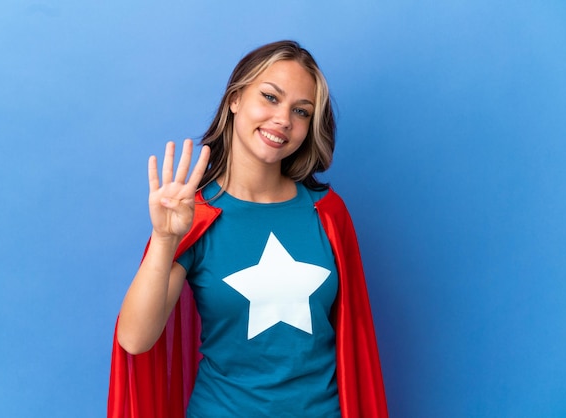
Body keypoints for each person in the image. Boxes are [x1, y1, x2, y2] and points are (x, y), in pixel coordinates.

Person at [108, 40, 388, 418]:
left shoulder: (327, 213)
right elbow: (136, 340)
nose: (284, 119)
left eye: (301, 111)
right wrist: (163, 239)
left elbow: (355, 340)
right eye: (270, 97)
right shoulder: (194, 215)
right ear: (236, 98)